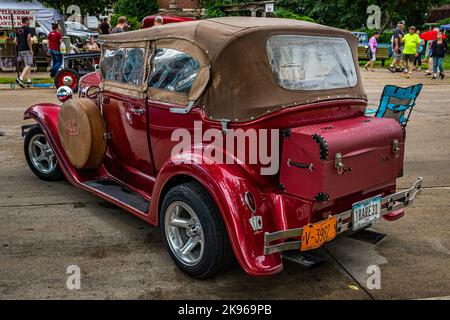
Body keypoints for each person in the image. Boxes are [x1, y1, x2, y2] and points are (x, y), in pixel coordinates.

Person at [14, 16, 33, 88]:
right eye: (29, 21)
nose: (29, 22)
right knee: (29, 64)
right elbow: (29, 39)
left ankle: (29, 80)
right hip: (27, 49)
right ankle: (20, 78)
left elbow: (15, 41)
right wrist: (31, 49)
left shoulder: (18, 30)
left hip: (21, 49)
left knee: (26, 65)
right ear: (26, 21)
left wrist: (20, 45)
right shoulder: (28, 29)